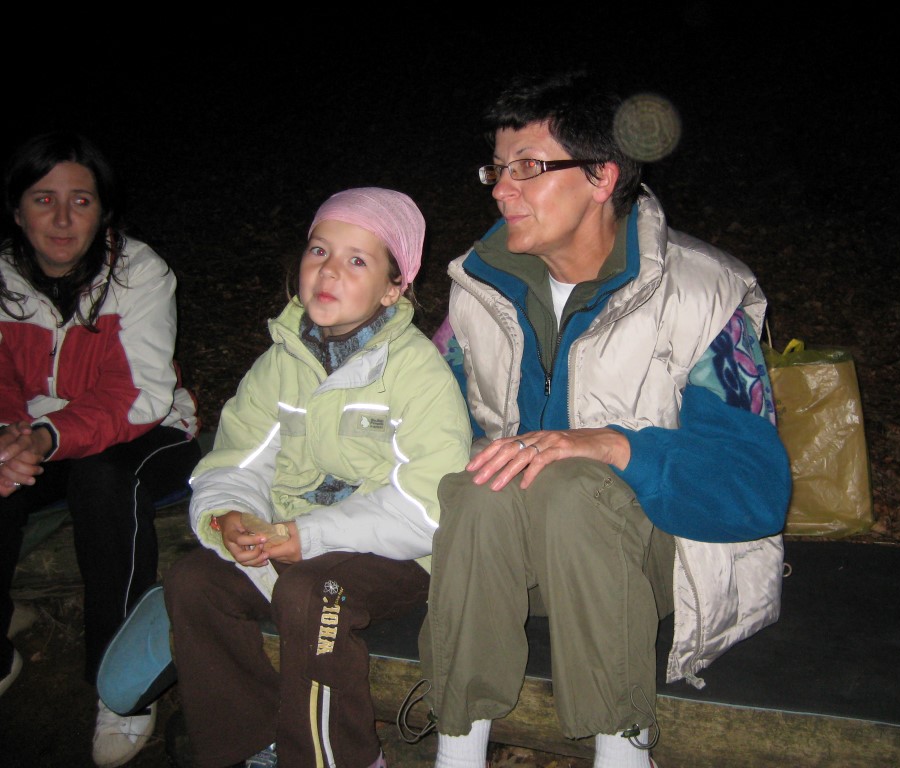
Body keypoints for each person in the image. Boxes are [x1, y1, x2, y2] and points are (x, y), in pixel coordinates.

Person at [412, 70, 793, 768]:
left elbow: (755, 491)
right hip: (508, 567)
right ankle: (456, 749)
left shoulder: (699, 297)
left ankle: (623, 751)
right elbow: (419, 427)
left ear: (600, 177)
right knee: (478, 487)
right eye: (496, 169)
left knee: (571, 484)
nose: (501, 190)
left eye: (528, 167)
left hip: (662, 565)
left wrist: (616, 446)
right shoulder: (481, 290)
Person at [162, 187, 472, 768]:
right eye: (319, 250)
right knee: (194, 582)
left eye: (357, 260)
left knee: (312, 595)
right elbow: (236, 460)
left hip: (401, 554)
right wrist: (230, 514)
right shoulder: (281, 363)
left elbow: (429, 507)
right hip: (294, 538)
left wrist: (308, 535)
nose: (329, 270)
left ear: (393, 288)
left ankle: (341, 758)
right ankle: (253, 746)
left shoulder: (415, 372)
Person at [0, 130, 203, 766]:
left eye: (81, 201)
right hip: (38, 438)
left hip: (149, 432)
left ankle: (120, 684)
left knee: (101, 479)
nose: (62, 219)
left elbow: (137, 393)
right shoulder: (3, 276)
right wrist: (8, 439)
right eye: (44, 199)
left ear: (104, 212)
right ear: (17, 211)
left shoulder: (139, 273)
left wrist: (43, 437)